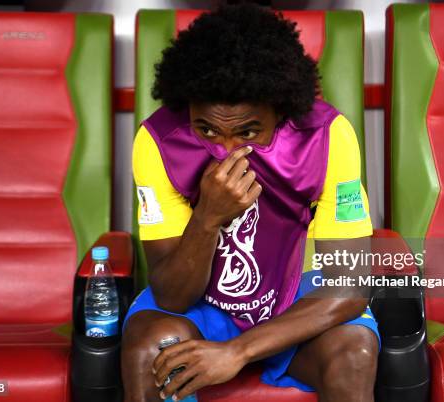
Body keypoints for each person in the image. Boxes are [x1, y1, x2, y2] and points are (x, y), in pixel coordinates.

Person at [122, 4, 378, 402]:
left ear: (280, 110)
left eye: (247, 132)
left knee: (354, 352)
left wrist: (237, 352)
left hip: (294, 295)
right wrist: (207, 217)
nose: (225, 151)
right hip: (202, 306)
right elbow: (173, 296)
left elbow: (350, 285)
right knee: (150, 349)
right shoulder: (157, 141)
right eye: (207, 129)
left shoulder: (328, 136)